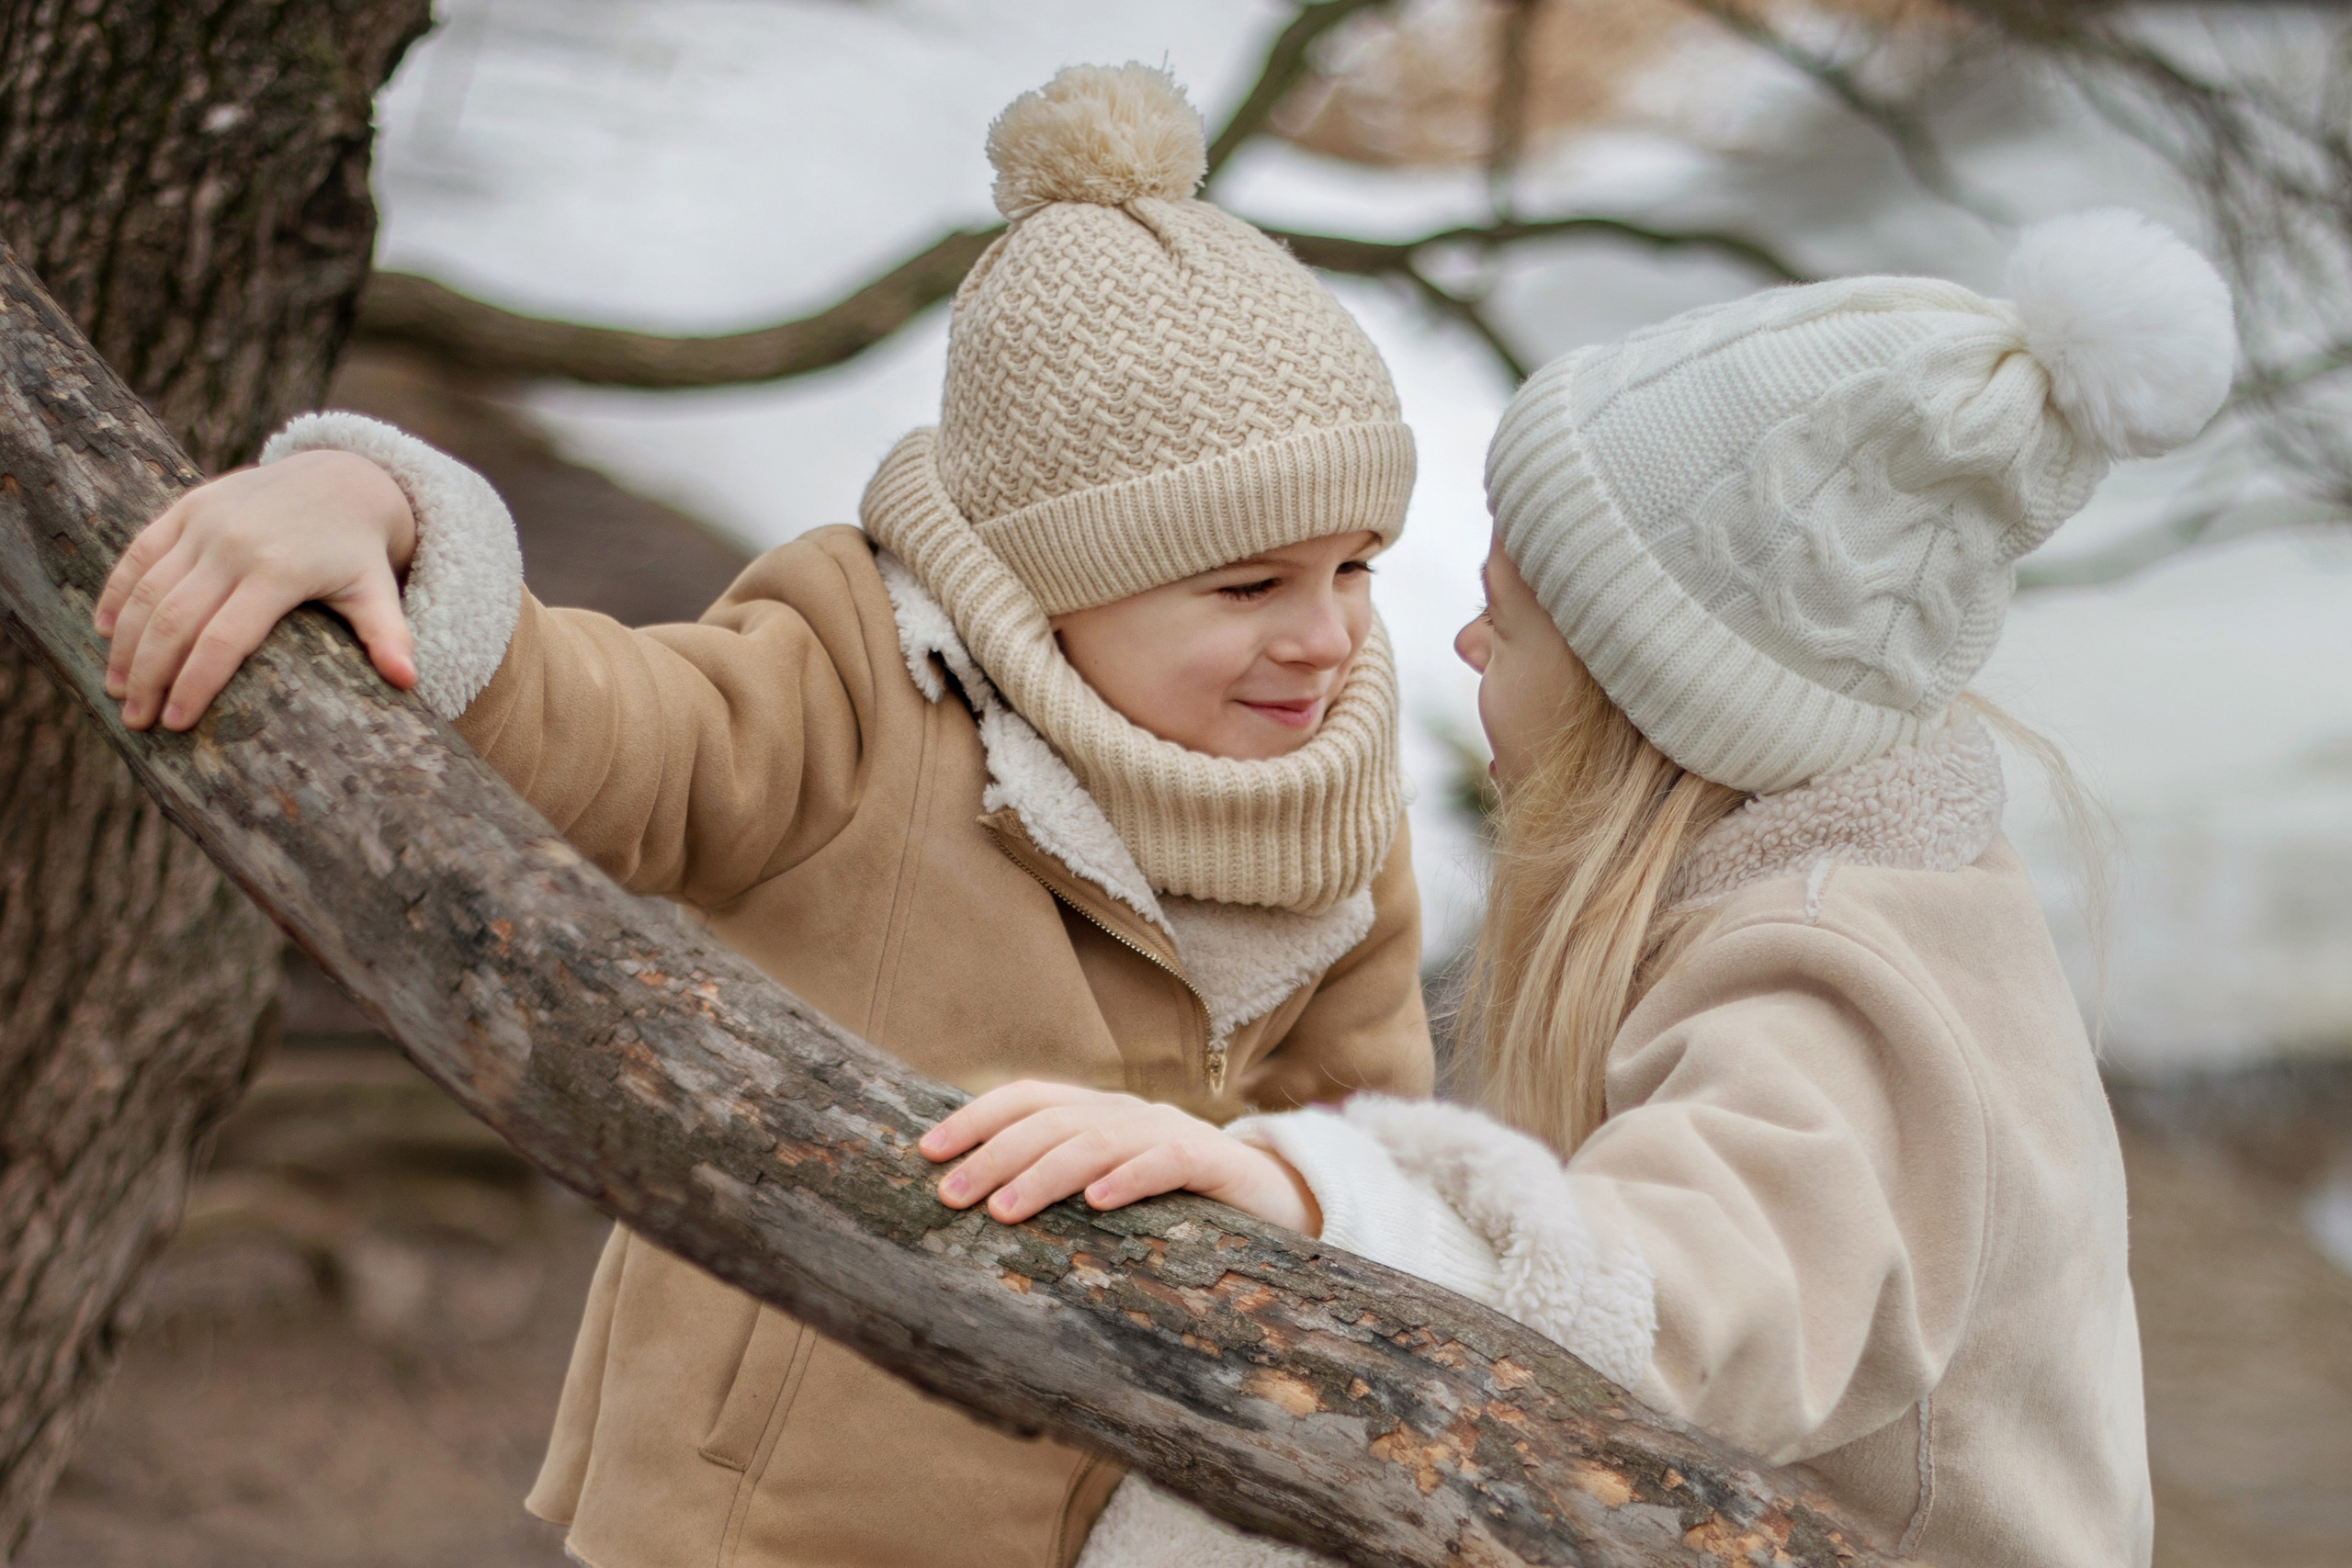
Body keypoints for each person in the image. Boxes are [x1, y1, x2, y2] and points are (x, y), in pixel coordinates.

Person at [96, 64, 1434, 1568]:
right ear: (1049, 581)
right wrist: (385, 513)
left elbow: (1370, 1142)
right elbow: (608, 730)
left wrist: (1300, 1192)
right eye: (1249, 585)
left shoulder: (1331, 799)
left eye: (1357, 568)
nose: (1326, 637)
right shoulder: (860, 686)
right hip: (770, 1513)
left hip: (1126, 1524)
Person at [923, 207, 2239, 1568]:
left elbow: (1667, 1309)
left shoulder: (1834, 977)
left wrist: (1310, 1191)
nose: (1461, 638)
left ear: (1647, 692)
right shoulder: (1876, 888)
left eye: (1508, 618)